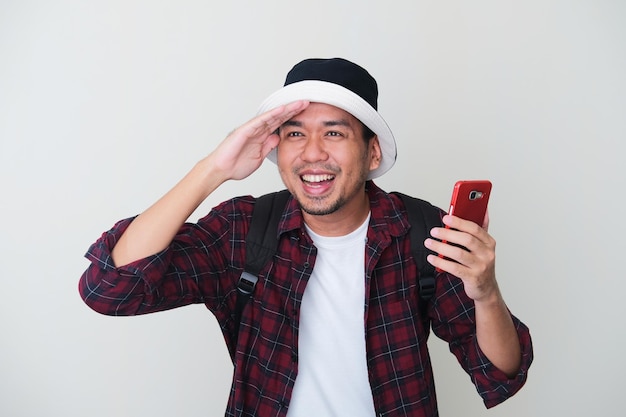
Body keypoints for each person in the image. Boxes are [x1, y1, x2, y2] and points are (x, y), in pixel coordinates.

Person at [79, 57, 533, 417]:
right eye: (295, 133)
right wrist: (213, 170)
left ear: (372, 151)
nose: (313, 153)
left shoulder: (421, 231)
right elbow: (110, 288)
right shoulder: (244, 229)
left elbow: (500, 373)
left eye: (334, 132)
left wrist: (487, 293)